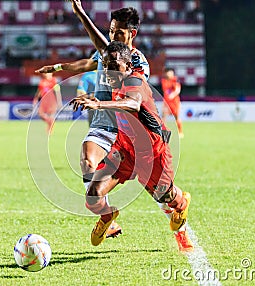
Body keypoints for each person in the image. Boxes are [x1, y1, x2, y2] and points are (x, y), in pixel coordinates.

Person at [36, 3, 149, 239]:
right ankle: (107, 216)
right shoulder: (103, 53)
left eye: (119, 32)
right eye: (111, 31)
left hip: (126, 131)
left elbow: (128, 89)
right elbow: (87, 64)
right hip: (102, 125)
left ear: (132, 34)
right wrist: (57, 67)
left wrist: (81, 14)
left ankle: (174, 210)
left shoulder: (138, 61)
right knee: (87, 162)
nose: (113, 36)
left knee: (156, 187)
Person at [71, 41, 193, 251]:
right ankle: (108, 215)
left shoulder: (135, 81)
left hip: (153, 155)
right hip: (125, 151)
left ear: (127, 66)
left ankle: (181, 204)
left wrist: (98, 104)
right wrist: (91, 98)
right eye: (106, 65)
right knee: (93, 196)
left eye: (114, 65)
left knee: (165, 196)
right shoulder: (115, 81)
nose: (108, 70)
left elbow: (133, 103)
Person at [161, 67, 183, 137]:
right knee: (163, 117)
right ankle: (163, 132)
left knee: (176, 117)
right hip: (166, 102)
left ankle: (180, 132)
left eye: (170, 72)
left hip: (175, 102)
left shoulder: (175, 80)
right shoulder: (163, 80)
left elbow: (177, 90)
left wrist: (172, 95)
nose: (169, 74)